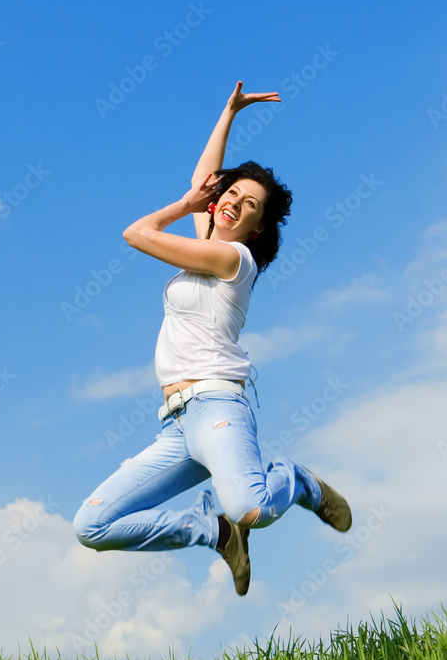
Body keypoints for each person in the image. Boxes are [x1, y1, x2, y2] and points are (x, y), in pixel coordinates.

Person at [73, 82, 352, 595]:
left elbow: (137, 233)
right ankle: (213, 532)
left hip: (218, 404)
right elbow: (206, 180)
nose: (232, 204)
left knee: (251, 506)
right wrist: (228, 113)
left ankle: (297, 480)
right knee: (90, 526)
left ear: (256, 230)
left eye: (249, 206)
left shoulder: (233, 260)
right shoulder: (209, 240)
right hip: (176, 424)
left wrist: (185, 203)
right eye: (231, 195)